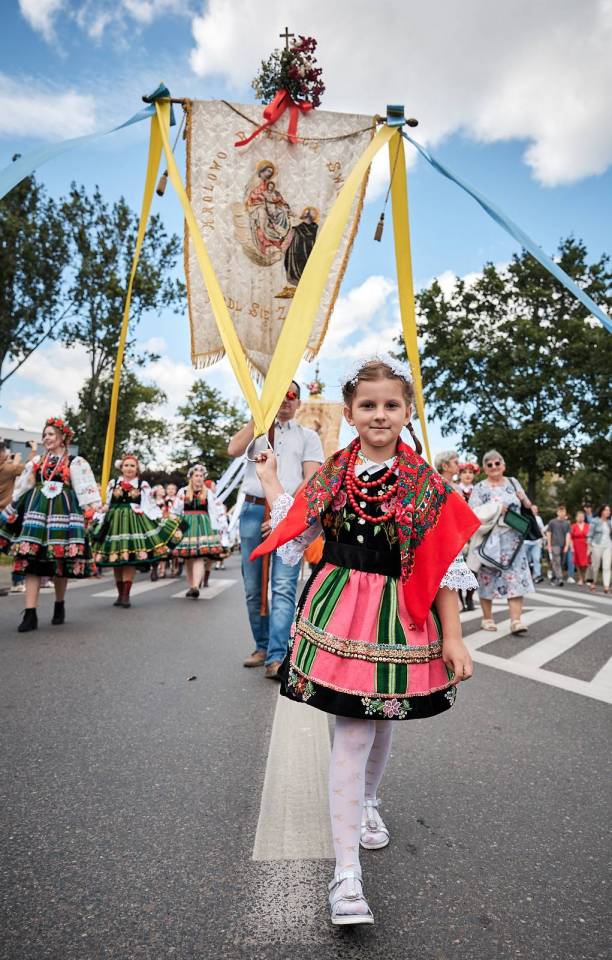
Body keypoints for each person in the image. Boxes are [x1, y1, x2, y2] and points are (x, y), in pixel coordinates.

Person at [250, 356, 478, 926]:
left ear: (407, 412)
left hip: (400, 614)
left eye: (391, 405)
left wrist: (454, 637)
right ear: (349, 413)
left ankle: (369, 801)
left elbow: (441, 566)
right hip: (341, 611)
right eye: (368, 405)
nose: (380, 414)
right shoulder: (334, 473)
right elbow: (297, 526)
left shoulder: (426, 484)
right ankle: (346, 873)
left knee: (382, 716)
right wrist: (271, 477)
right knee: (353, 728)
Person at [227, 381, 324, 679]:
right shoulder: (258, 432)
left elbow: (311, 479)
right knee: (252, 587)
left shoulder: (308, 436)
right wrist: (259, 417)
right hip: (253, 511)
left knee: (283, 586)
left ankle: (277, 655)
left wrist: (284, 509)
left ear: (299, 402)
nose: (286, 400)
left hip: (289, 514)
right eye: (280, 395)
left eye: (292, 395)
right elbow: (233, 449)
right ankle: (262, 645)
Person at [0, 417, 100, 632]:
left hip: (63, 512)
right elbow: (23, 487)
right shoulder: (37, 462)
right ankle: (30, 613)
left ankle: (59, 604)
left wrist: (91, 509)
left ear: (63, 437)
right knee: (31, 559)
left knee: (60, 561)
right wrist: (12, 508)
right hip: (36, 511)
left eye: (51, 434)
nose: (46, 438)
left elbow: (84, 488)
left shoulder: (74, 462)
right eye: (44, 435)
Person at [90, 455, 181, 608]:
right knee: (116, 561)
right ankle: (120, 594)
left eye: (132, 466)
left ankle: (126, 595)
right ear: (121, 468)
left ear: (137, 469)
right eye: (126, 465)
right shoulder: (113, 483)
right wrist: (100, 512)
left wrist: (158, 519)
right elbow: (108, 503)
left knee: (129, 560)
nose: (129, 468)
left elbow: (148, 505)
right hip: (114, 523)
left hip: (133, 523)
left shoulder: (142, 484)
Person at [467, 451, 534, 633]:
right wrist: (496, 508)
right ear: (485, 468)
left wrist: (524, 499)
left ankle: (516, 621)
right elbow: (472, 512)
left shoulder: (513, 482)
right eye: (489, 464)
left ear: (503, 465)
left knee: (516, 579)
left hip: (514, 541)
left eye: (497, 463)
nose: (494, 467)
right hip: (490, 541)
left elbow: (527, 505)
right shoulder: (480, 487)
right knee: (487, 579)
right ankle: (487, 619)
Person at [170, 464, 223, 599]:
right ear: (191, 477)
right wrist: (175, 525)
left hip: (203, 525)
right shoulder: (183, 491)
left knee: (199, 556)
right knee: (188, 557)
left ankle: (195, 586)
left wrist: (217, 529)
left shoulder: (208, 493)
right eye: (196, 475)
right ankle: (192, 585)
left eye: (201, 476)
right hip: (186, 524)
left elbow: (214, 511)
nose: (199, 478)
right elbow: (175, 510)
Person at [0, 439, 37, 593]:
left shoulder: (7, 467)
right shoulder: (8, 469)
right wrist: (33, 449)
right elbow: (29, 467)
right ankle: (17, 582)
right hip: (5, 513)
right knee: (16, 546)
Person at [587, 504, 611, 594]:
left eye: (609, 510)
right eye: (606, 510)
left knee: (607, 566)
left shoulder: (610, 522)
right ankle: (593, 583)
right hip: (596, 545)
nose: (608, 512)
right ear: (601, 511)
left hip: (608, 546)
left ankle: (606, 586)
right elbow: (590, 535)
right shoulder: (595, 521)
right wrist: (589, 546)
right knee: (595, 566)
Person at [546, 505, 572, 587]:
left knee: (561, 562)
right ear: (557, 512)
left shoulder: (567, 523)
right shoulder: (552, 522)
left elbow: (568, 534)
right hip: (555, 544)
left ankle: (554, 578)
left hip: (563, 544)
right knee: (556, 560)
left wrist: (567, 545)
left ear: (565, 513)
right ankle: (560, 578)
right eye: (560, 512)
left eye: (563, 512)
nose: (562, 513)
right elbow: (549, 533)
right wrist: (549, 545)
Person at [524, 505, 545, 583]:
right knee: (526, 559)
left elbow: (541, 529)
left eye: (536, 509)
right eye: (533, 509)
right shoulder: (526, 516)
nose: (534, 510)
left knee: (536, 559)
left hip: (536, 542)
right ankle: (525, 575)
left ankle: (537, 575)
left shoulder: (539, 519)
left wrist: (543, 538)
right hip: (526, 542)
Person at [570, 510, 590, 585]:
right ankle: (580, 578)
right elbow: (570, 537)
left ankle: (584, 576)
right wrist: (571, 547)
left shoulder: (588, 526)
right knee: (577, 563)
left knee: (585, 563)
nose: (580, 518)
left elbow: (590, 537)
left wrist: (590, 547)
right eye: (579, 516)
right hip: (576, 545)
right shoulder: (573, 526)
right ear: (576, 518)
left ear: (584, 518)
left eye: (582, 516)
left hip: (585, 545)